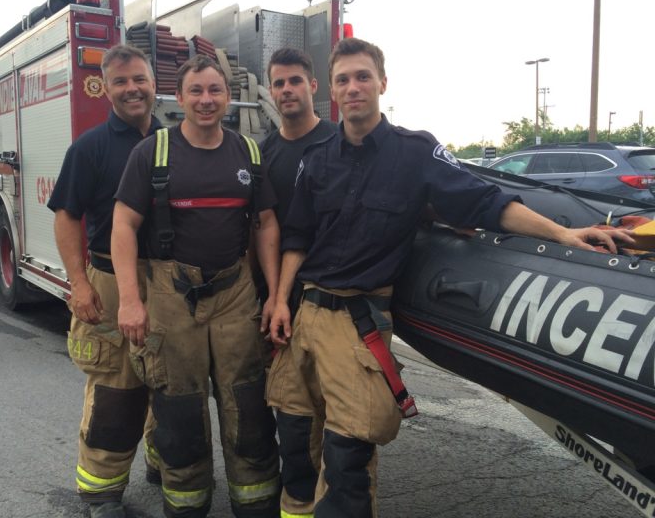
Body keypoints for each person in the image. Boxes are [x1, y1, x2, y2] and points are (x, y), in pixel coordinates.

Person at [265, 37, 635, 518]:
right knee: (293, 448)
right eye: (343, 80)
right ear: (331, 91)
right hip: (305, 310)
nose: (353, 87)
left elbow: (487, 203)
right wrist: (278, 300)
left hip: (354, 325)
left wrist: (562, 233)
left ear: (382, 82)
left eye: (362, 77)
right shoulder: (317, 160)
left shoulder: (415, 153)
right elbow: (296, 237)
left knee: (346, 461)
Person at [111, 54, 282, 518]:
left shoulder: (248, 152)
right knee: (180, 409)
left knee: (247, 404)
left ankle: (256, 503)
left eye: (215, 91)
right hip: (171, 294)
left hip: (236, 293)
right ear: (180, 97)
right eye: (196, 91)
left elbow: (265, 225)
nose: (206, 100)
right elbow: (123, 224)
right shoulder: (152, 153)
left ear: (228, 96)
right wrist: (130, 300)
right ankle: (187, 505)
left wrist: (274, 295)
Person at [48, 44, 162, 518]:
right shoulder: (90, 147)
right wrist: (79, 283)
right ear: (105, 88)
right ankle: (102, 490)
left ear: (155, 82)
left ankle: (164, 461)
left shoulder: (175, 140)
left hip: (167, 282)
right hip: (111, 280)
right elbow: (65, 216)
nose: (132, 88)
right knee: (116, 387)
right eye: (121, 81)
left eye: (139, 79)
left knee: (170, 379)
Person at [260, 47, 339, 227]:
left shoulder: (340, 141)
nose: (286, 89)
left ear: (313, 86)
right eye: (279, 84)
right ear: (270, 91)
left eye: (295, 81)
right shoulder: (262, 154)